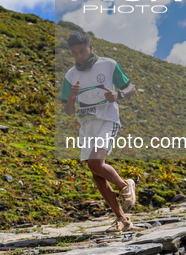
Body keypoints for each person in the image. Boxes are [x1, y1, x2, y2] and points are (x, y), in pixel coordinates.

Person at [60, 30, 137, 233]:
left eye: (82, 51)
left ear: (90, 47)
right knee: (96, 173)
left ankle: (124, 186)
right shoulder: (71, 75)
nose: (79, 56)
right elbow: (68, 112)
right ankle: (123, 220)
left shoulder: (108, 65)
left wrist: (118, 94)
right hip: (86, 125)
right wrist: (70, 98)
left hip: (107, 119)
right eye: (74, 53)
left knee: (96, 163)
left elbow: (131, 88)